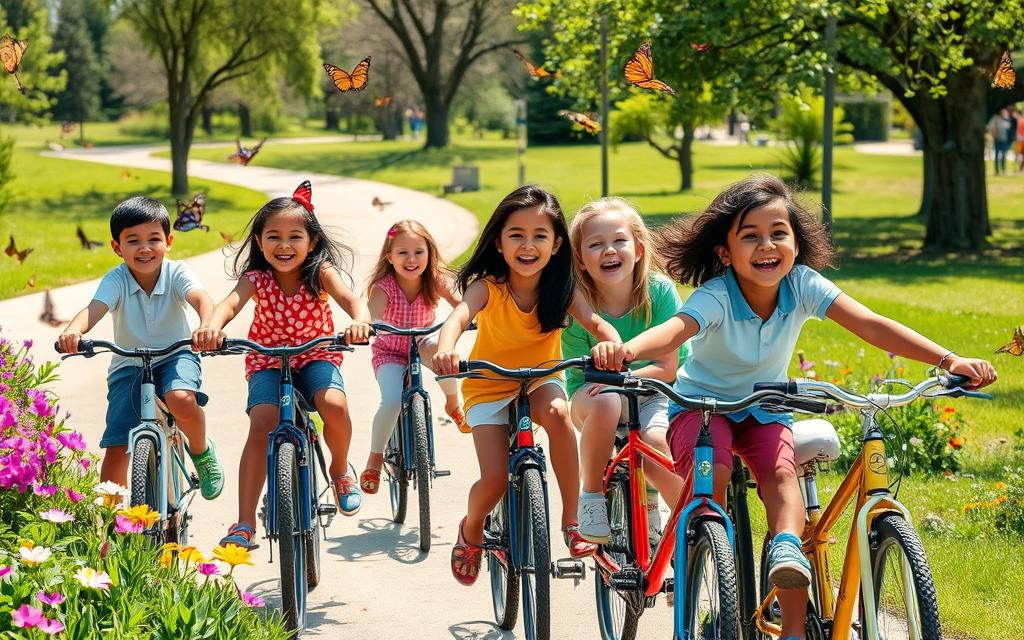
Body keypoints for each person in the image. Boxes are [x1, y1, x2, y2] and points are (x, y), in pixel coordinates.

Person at [591, 174, 997, 640]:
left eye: (778, 233)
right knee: (714, 481)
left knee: (783, 482)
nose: (767, 246)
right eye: (750, 236)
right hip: (702, 410)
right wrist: (627, 350)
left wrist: (948, 359)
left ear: (797, 244)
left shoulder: (803, 284)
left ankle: (789, 587)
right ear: (725, 253)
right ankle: (706, 565)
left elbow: (870, 323)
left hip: (766, 409)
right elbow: (678, 330)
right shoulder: (718, 295)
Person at [432, 185, 622, 585]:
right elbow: (458, 317)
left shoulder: (562, 288)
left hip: (539, 380)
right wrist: (447, 350)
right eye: (516, 234)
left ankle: (573, 518)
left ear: (556, 245)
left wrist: (610, 340)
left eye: (540, 236)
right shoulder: (488, 286)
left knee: (556, 413)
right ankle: (472, 528)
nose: (528, 245)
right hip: (487, 385)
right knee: (495, 479)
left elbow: (595, 322)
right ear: (499, 243)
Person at [192, 181, 372, 550]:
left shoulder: (321, 273)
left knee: (334, 405)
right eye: (273, 236)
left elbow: (352, 300)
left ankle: (339, 469)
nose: (284, 245)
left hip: (316, 355)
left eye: (295, 237)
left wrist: (359, 322)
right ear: (259, 242)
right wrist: (211, 327)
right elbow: (228, 305)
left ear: (313, 242)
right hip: (267, 360)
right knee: (262, 424)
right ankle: (244, 522)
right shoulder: (256, 278)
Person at [57, 196, 224, 499]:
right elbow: (93, 309)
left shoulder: (177, 272)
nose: (145, 248)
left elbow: (201, 298)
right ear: (117, 248)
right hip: (129, 365)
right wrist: (73, 331)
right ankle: (111, 520)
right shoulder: (116, 280)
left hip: (177, 355)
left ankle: (201, 451)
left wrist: (207, 324)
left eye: (154, 239)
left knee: (181, 398)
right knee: (118, 444)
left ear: (168, 241)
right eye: (133, 241)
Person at [561, 197, 690, 544]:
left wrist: (626, 377)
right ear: (581, 260)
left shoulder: (659, 291)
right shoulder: (577, 304)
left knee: (654, 443)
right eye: (595, 244)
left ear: (638, 248)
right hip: (593, 397)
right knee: (608, 402)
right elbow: (580, 375)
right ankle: (591, 497)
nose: (609, 251)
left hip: (653, 393)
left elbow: (667, 368)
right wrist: (613, 383)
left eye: (619, 240)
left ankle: (690, 534)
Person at [360, 220, 469, 496]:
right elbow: (372, 314)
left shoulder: (435, 279)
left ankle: (453, 405)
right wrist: (367, 325)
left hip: (422, 343)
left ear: (429, 253)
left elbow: (463, 306)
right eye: (402, 253)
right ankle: (375, 457)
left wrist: (472, 317)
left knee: (446, 358)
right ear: (390, 257)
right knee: (392, 400)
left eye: (419, 252)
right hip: (390, 352)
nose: (411, 259)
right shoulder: (383, 287)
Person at [990, 108, 1013, 175]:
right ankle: (997, 171)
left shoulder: (1007, 120)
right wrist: (994, 135)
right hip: (997, 140)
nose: (1004, 114)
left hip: (1004, 140)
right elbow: (993, 128)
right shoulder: (996, 119)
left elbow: (1009, 128)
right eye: (1003, 113)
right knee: (997, 155)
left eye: (1005, 113)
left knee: (1004, 155)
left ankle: (1003, 169)